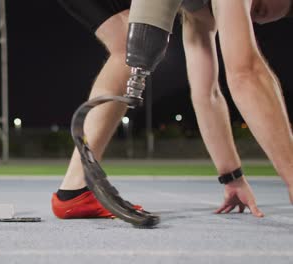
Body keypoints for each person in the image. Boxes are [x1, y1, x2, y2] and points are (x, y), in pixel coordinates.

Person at [51, 0, 293, 219]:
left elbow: (207, 94)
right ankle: (77, 187)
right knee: (127, 47)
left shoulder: (201, 16)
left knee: (126, 45)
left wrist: (233, 178)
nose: (256, 19)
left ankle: (75, 190)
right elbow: (246, 73)